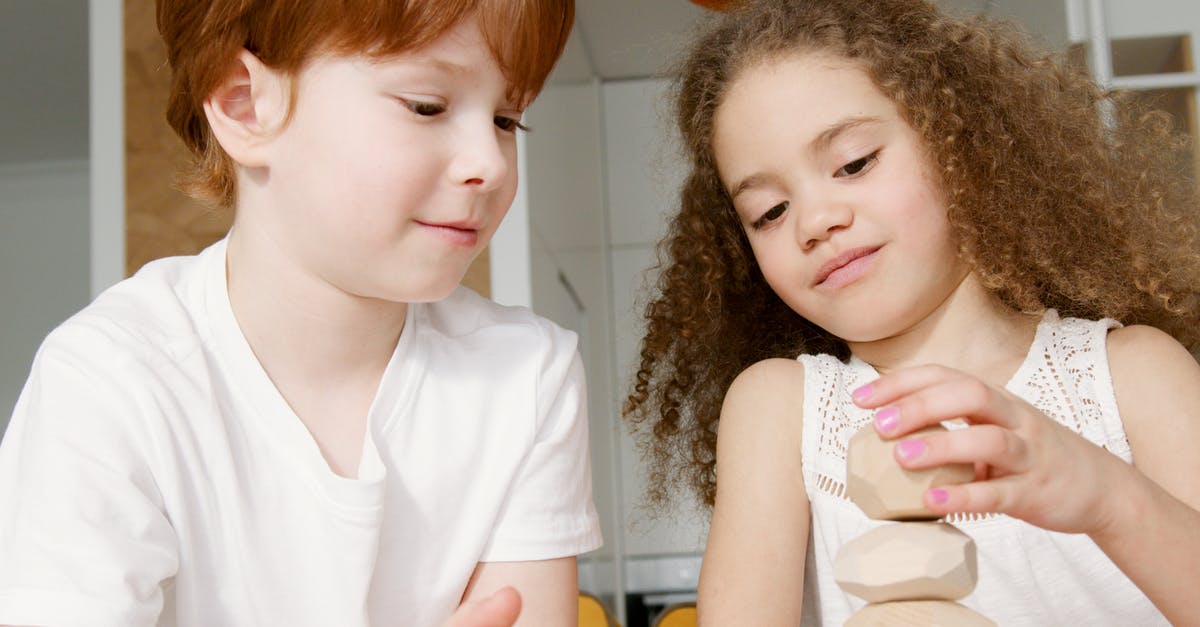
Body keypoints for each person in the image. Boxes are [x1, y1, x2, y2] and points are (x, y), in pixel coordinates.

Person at [0, 1, 600, 626]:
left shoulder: (528, 375)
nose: (491, 163)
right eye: (428, 105)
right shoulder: (110, 379)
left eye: (507, 119)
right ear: (244, 105)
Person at [623, 0, 1200, 624]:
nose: (816, 222)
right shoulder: (779, 410)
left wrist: (1108, 498)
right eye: (770, 211)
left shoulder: (1131, 376)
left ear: (962, 145)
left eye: (854, 163)